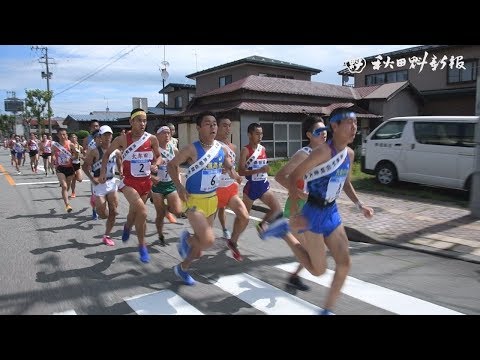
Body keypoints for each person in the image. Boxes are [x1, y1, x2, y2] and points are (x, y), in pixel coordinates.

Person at [286, 108, 374, 315]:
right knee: (318, 270)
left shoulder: (349, 154)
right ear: (334, 126)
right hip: (313, 214)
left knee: (344, 263)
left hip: (332, 213)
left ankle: (327, 310)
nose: (354, 128)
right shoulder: (323, 152)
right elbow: (293, 177)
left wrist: (360, 205)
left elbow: (345, 183)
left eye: (356, 123)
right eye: (349, 123)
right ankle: (285, 234)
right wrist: (294, 213)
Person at [167, 111, 233, 285]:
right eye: (208, 124)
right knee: (208, 239)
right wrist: (179, 186)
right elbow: (171, 165)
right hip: (193, 200)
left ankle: (182, 267)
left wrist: (231, 169)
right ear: (198, 128)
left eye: (214, 124)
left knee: (198, 249)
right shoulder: (191, 149)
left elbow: (226, 164)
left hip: (212, 199)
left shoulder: (221, 148)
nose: (213, 127)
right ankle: (187, 240)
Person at [99, 108, 163, 263]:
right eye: (139, 120)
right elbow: (107, 154)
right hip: (128, 183)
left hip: (145, 183)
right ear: (131, 122)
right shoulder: (122, 140)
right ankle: (142, 245)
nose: (142, 123)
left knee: (133, 213)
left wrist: (156, 164)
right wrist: (103, 171)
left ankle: (127, 226)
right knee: (142, 211)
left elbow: (159, 156)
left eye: (145, 120)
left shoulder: (152, 139)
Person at [274, 115, 327, 291]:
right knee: (313, 252)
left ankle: (294, 276)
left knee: (315, 251)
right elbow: (280, 176)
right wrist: (300, 194)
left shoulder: (324, 154)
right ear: (309, 135)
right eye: (319, 131)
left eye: (325, 129)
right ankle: (281, 231)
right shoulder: (304, 154)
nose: (324, 133)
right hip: (298, 208)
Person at [238, 123, 284, 238]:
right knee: (244, 218)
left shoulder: (262, 149)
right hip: (251, 187)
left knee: (277, 209)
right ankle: (234, 239)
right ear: (249, 135)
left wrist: (266, 169)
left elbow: (263, 166)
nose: (260, 136)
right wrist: (258, 171)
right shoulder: (245, 150)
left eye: (261, 134)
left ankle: (262, 224)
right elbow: (241, 172)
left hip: (263, 185)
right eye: (257, 134)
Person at [215, 116, 249, 261]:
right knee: (204, 233)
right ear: (216, 127)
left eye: (229, 126)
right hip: (213, 190)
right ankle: (190, 243)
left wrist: (234, 174)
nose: (228, 129)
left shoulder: (233, 147)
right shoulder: (212, 145)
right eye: (224, 125)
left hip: (229, 188)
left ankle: (232, 241)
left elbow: (231, 165)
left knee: (245, 217)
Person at [82, 125, 123, 246]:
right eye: (105, 135)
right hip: (99, 185)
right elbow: (84, 167)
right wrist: (93, 179)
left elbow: (120, 164)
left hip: (111, 183)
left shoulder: (116, 151)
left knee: (113, 211)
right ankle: (94, 200)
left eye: (109, 134)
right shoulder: (95, 151)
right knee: (103, 215)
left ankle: (107, 235)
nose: (108, 137)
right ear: (100, 137)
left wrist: (121, 172)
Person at [150, 125, 183, 246]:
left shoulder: (174, 150)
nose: (167, 135)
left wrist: (178, 181)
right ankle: (160, 235)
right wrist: (152, 177)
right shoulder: (152, 150)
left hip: (170, 183)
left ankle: (166, 210)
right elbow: (143, 169)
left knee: (177, 210)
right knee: (159, 214)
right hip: (157, 186)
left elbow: (176, 166)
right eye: (164, 133)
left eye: (169, 133)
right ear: (157, 135)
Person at [51, 129, 77, 213]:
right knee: (64, 186)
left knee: (67, 186)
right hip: (60, 168)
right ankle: (67, 205)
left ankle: (65, 194)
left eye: (65, 134)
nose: (63, 136)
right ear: (58, 136)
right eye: (61, 135)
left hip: (69, 168)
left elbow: (76, 157)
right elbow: (53, 155)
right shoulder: (55, 145)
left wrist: (75, 155)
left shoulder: (70, 144)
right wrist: (53, 160)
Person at [69, 133, 84, 199]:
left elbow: (83, 154)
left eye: (74, 137)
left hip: (78, 164)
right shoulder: (68, 146)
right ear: (70, 139)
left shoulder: (80, 146)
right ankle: (73, 192)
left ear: (76, 138)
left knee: (80, 179)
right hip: (70, 164)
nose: (73, 138)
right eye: (72, 137)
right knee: (73, 179)